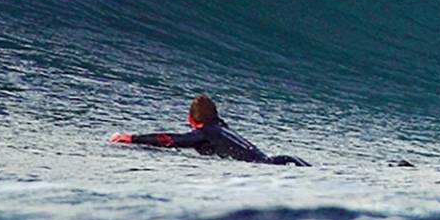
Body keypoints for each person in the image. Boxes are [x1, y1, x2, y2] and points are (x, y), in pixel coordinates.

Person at [110, 94, 309, 166]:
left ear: (190, 119)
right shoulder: (220, 128)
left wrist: (132, 138)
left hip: (266, 170)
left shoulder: (205, 133)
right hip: (280, 160)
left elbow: (170, 140)